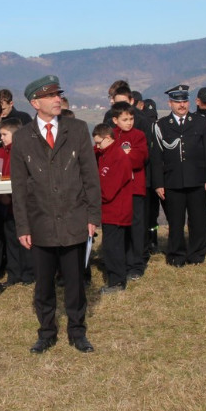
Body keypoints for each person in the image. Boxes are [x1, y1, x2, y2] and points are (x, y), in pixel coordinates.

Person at [11, 75, 101, 354]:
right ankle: (47, 332)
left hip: (74, 219)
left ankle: (77, 331)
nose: (57, 99)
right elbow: (18, 188)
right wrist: (23, 226)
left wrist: (92, 217)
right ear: (35, 103)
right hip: (40, 223)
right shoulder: (22, 138)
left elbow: (90, 177)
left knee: (75, 282)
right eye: (50, 96)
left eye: (58, 94)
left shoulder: (77, 129)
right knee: (44, 285)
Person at [150, 84, 206, 267]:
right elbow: (156, 158)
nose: (182, 105)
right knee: (175, 222)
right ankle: (176, 255)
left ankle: (197, 254)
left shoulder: (201, 122)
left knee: (198, 220)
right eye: (177, 102)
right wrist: (158, 183)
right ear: (170, 103)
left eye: (185, 101)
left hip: (198, 180)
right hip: (173, 182)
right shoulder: (161, 126)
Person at [93, 123, 133, 293]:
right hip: (109, 211)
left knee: (113, 247)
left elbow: (108, 190)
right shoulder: (105, 153)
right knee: (110, 245)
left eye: (99, 142)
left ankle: (117, 282)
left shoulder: (118, 157)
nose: (97, 146)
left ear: (108, 138)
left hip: (117, 211)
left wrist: (92, 196)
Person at [110, 101, 148, 280]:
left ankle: (136, 264)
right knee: (119, 227)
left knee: (136, 227)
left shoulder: (138, 135)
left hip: (134, 189)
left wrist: (122, 156)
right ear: (115, 120)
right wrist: (123, 154)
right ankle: (122, 261)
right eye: (125, 119)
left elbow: (138, 159)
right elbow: (105, 158)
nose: (129, 122)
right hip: (116, 190)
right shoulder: (110, 135)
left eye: (131, 118)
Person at [0, 118, 34, 286]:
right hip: (5, 204)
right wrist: (0, 195)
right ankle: (14, 274)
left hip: (23, 205)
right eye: (1, 134)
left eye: (5, 134)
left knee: (26, 239)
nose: (1, 138)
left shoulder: (25, 152)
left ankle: (29, 274)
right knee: (11, 239)